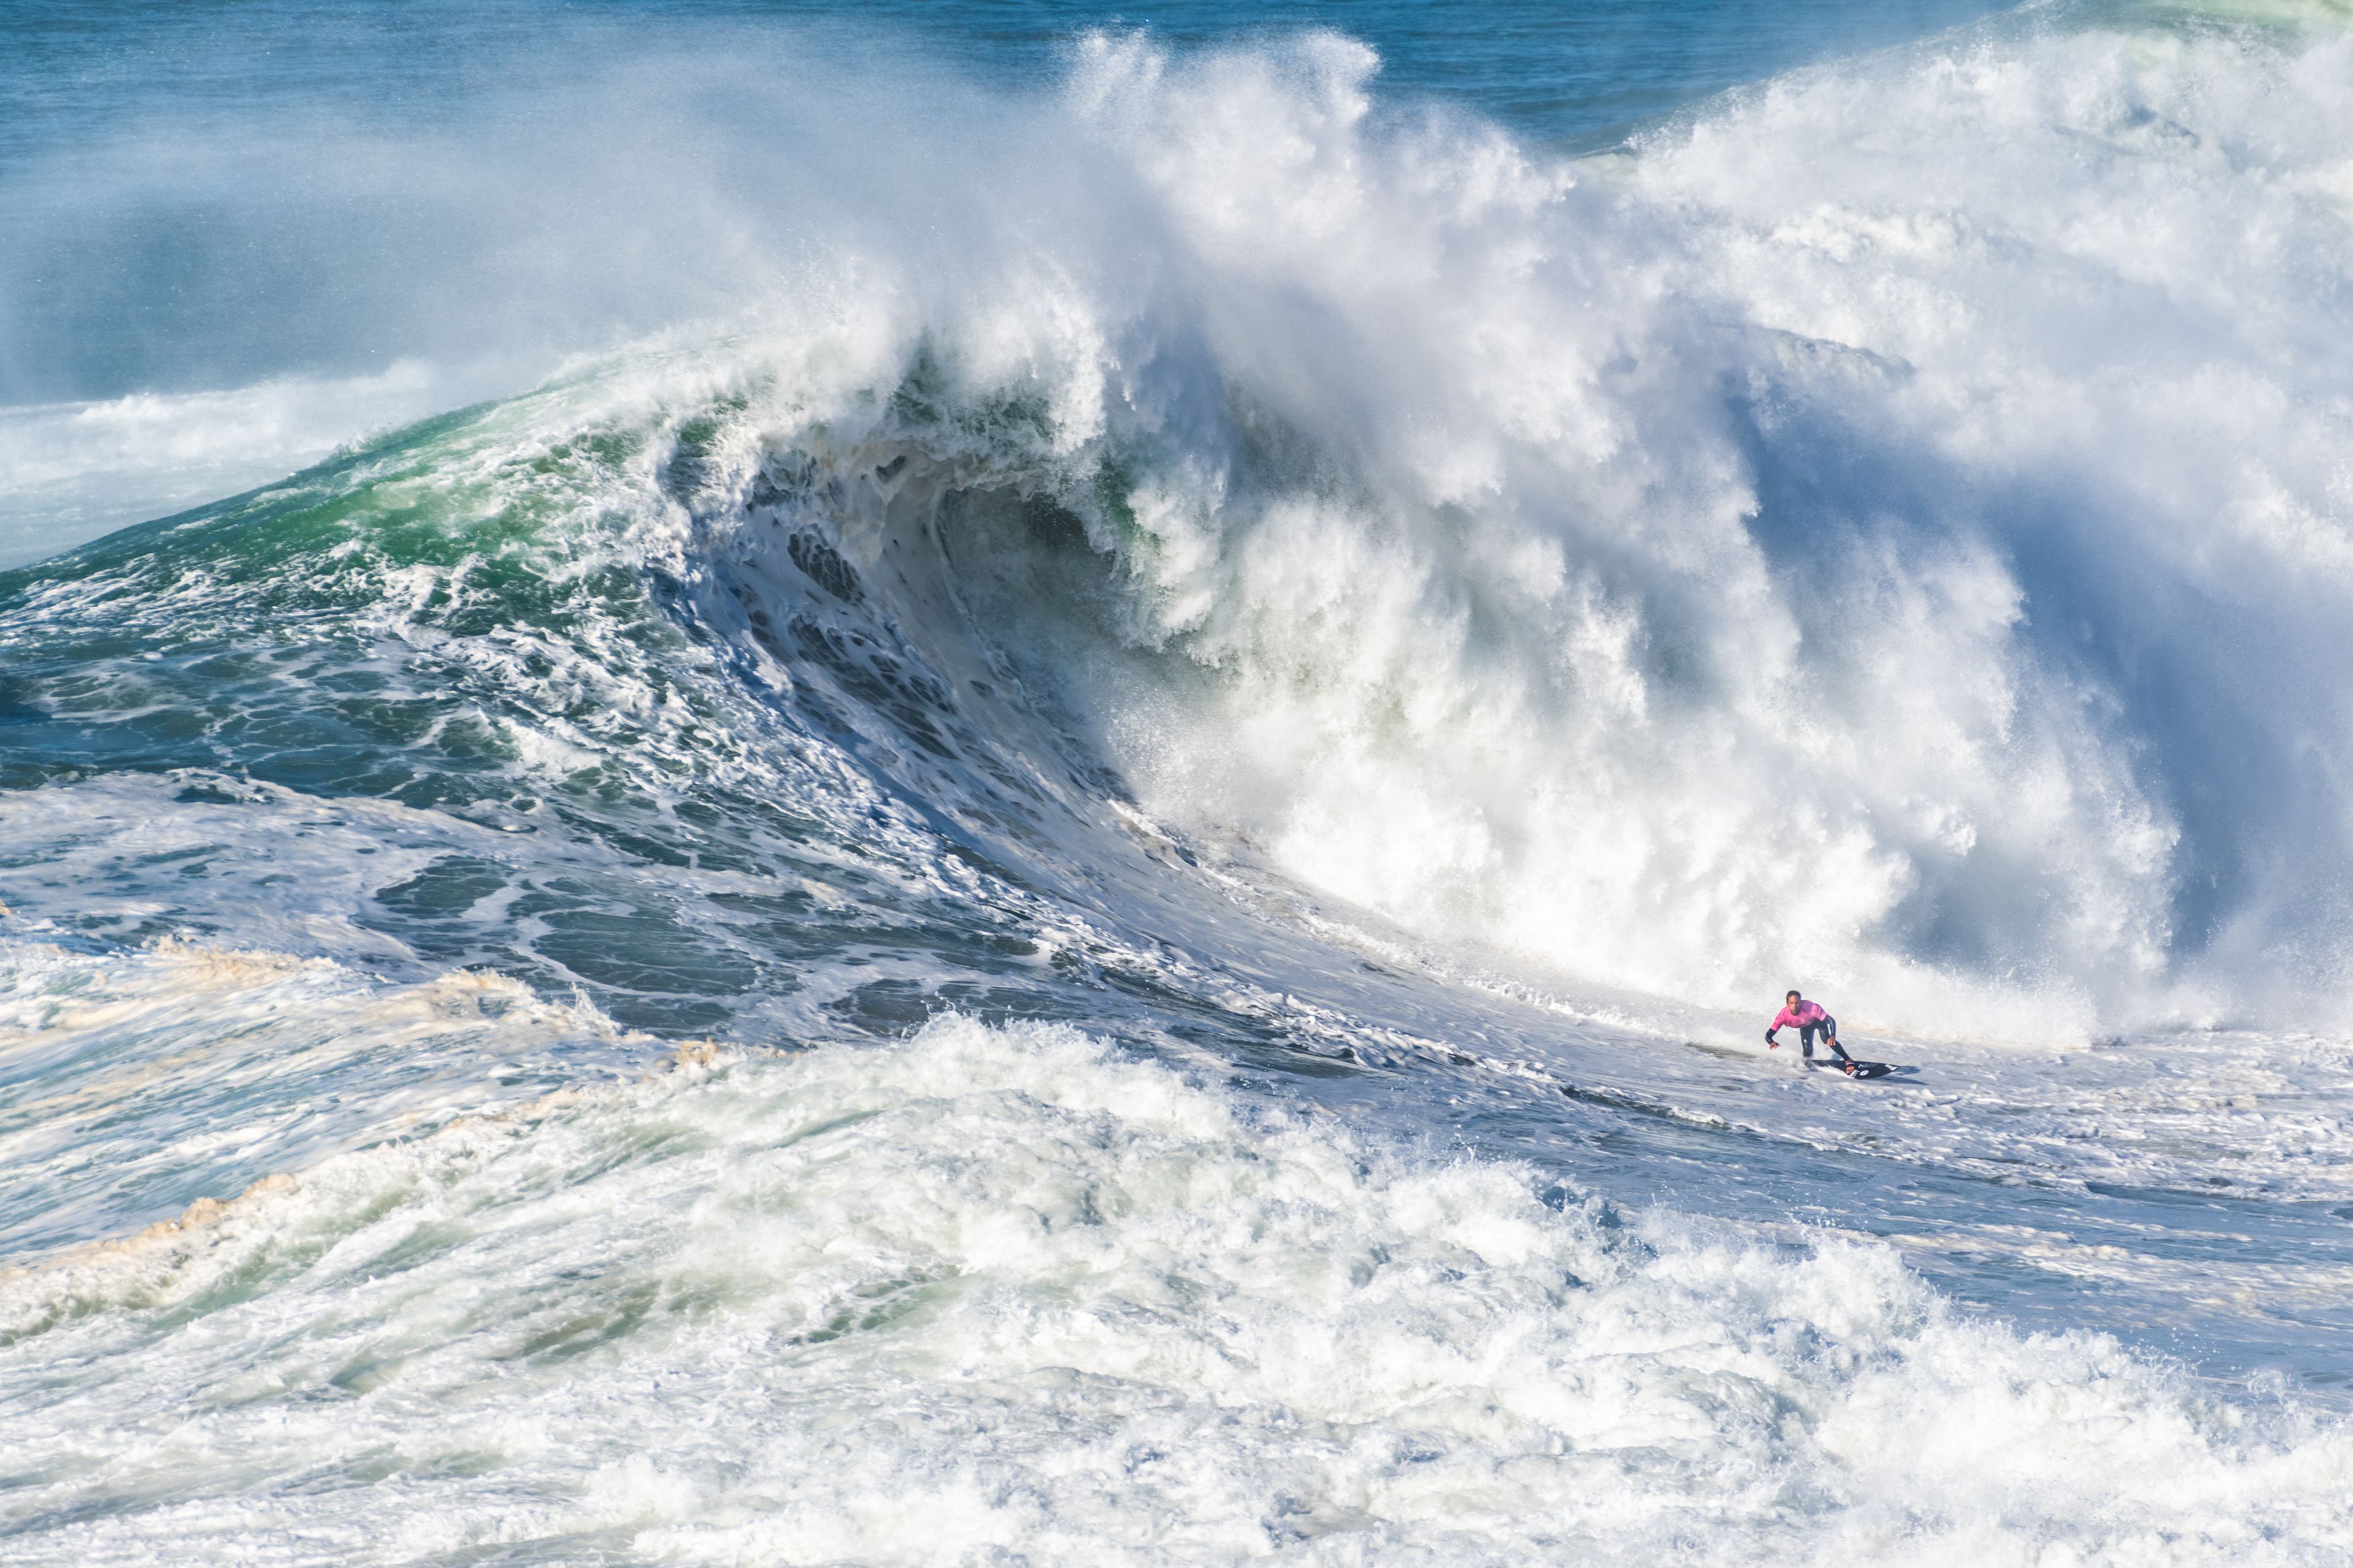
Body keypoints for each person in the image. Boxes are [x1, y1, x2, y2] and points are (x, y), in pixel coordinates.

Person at [1765, 990, 1857, 1071]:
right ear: (1787, 1004)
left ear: (1801, 1002)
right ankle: (1807, 1064)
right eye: (1792, 1003)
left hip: (1818, 1022)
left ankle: (1848, 1060)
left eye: (1797, 1003)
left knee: (1827, 1040)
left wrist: (1833, 1036)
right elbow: (1769, 1034)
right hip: (1806, 1026)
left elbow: (1830, 1020)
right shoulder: (1783, 1016)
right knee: (1807, 1051)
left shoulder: (1811, 1008)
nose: (1795, 1006)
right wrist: (1771, 1041)